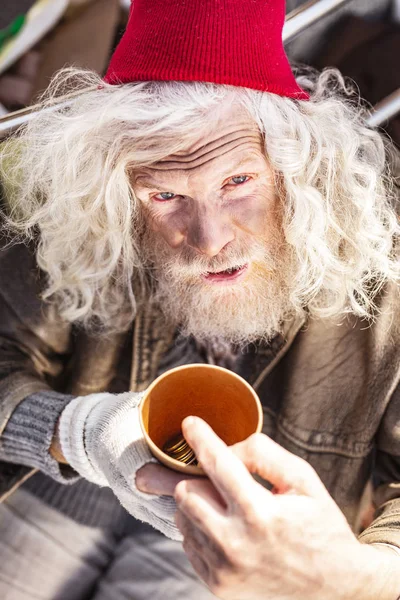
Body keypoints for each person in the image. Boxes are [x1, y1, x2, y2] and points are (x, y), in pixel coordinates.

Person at [0, 0, 399, 598]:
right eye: (164, 195)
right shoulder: (88, 221)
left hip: (243, 530)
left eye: (238, 182)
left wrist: (353, 574)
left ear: (298, 167)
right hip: (63, 483)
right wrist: (78, 430)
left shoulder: (382, 274)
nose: (209, 240)